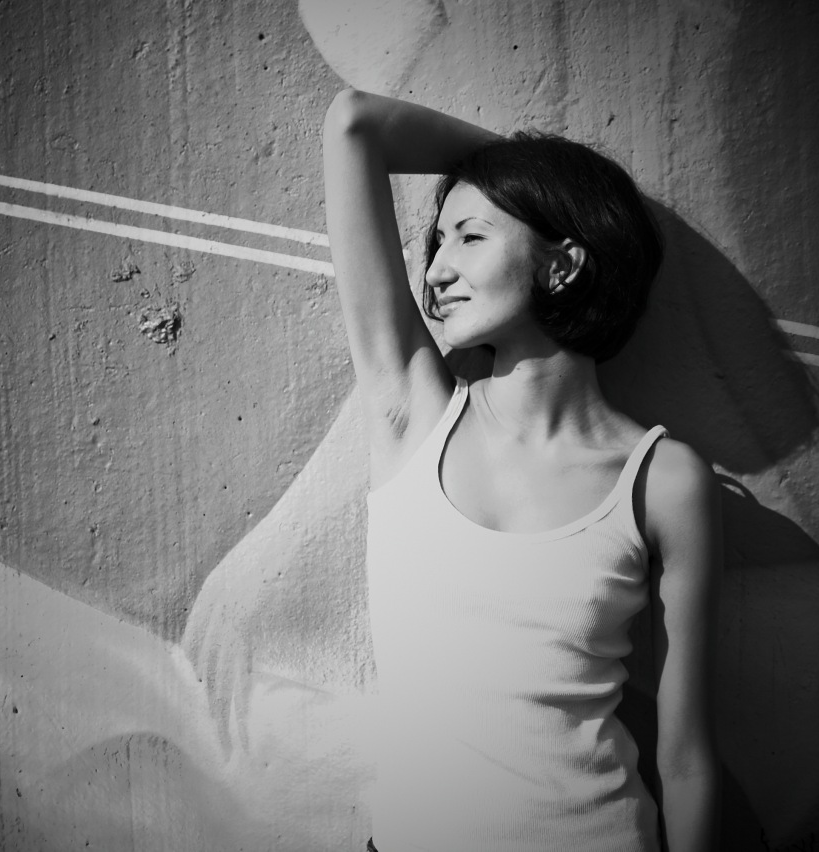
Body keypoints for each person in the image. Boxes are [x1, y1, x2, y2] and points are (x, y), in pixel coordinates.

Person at [322, 88, 720, 851]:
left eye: (470, 237)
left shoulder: (663, 481)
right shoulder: (412, 416)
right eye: (436, 242)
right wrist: (511, 170)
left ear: (563, 264)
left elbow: (688, 760)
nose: (435, 271)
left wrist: (537, 181)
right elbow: (353, 124)